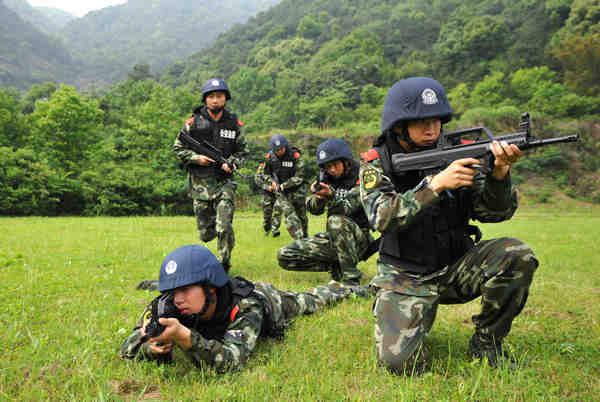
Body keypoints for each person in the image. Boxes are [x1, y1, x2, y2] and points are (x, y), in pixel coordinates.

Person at [359, 77, 539, 374]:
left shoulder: (459, 151)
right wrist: (436, 185)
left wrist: (499, 174)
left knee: (517, 254)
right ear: (398, 125)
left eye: (436, 121)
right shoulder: (377, 162)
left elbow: (495, 213)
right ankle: (395, 309)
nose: (431, 129)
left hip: (455, 266)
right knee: (399, 363)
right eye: (420, 122)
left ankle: (486, 344)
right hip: (405, 275)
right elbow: (381, 218)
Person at [121, 245, 370, 372]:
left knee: (315, 299)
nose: (178, 300)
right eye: (173, 291)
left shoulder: (246, 306)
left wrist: (185, 337)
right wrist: (151, 348)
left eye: (186, 290)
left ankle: (355, 288)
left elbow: (232, 360)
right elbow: (129, 346)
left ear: (210, 288)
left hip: (271, 299)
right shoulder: (173, 305)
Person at [173, 78, 248, 272]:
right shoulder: (193, 123)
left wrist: (232, 163)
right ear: (206, 100)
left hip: (224, 183)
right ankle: (223, 236)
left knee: (223, 224)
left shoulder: (233, 124)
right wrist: (196, 157)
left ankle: (223, 264)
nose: (215, 100)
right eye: (211, 97)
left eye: (219, 96)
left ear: (226, 99)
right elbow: (178, 147)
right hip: (200, 184)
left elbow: (243, 151)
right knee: (206, 234)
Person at [278, 138, 375, 285]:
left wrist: (331, 196)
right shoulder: (326, 177)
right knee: (285, 255)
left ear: (346, 161)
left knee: (335, 220)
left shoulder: (362, 175)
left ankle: (351, 280)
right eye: (327, 167)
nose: (332, 170)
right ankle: (337, 267)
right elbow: (313, 209)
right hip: (334, 238)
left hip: (360, 238)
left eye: (335, 165)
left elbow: (348, 207)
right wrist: (319, 198)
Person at [255, 134, 308, 240]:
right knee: (288, 214)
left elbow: (300, 176)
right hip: (281, 192)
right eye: (276, 150)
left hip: (296, 190)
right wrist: (271, 182)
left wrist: (285, 184)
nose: (279, 151)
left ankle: (305, 235)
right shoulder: (270, 157)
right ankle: (299, 238)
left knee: (301, 215)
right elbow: (264, 174)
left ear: (285, 146)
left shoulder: (295, 156)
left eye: (281, 149)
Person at [254, 161, 282, 237]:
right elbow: (257, 179)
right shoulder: (263, 166)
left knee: (278, 211)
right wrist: (266, 187)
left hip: (279, 192)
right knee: (267, 214)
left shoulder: (282, 163)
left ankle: (275, 229)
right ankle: (267, 229)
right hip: (267, 193)